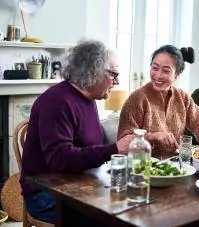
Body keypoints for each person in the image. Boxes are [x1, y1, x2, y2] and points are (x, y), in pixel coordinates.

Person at [20, 40, 133, 224]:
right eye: (113, 73)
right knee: (115, 219)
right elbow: (59, 159)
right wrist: (114, 149)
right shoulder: (56, 101)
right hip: (46, 195)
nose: (117, 80)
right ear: (92, 71)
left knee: (132, 205)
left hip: (81, 184)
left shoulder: (88, 99)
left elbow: (91, 148)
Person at [117, 45, 199, 158]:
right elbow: (122, 144)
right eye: (155, 68)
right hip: (143, 167)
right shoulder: (137, 99)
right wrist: (153, 136)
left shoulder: (182, 97)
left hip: (175, 166)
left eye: (166, 71)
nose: (158, 75)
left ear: (177, 75)